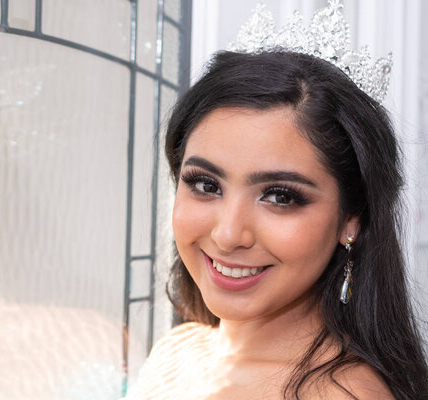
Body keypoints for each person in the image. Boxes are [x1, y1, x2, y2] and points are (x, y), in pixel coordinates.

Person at [125, 3, 428, 400]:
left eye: (280, 196)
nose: (229, 233)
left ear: (351, 218)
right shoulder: (177, 350)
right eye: (205, 185)